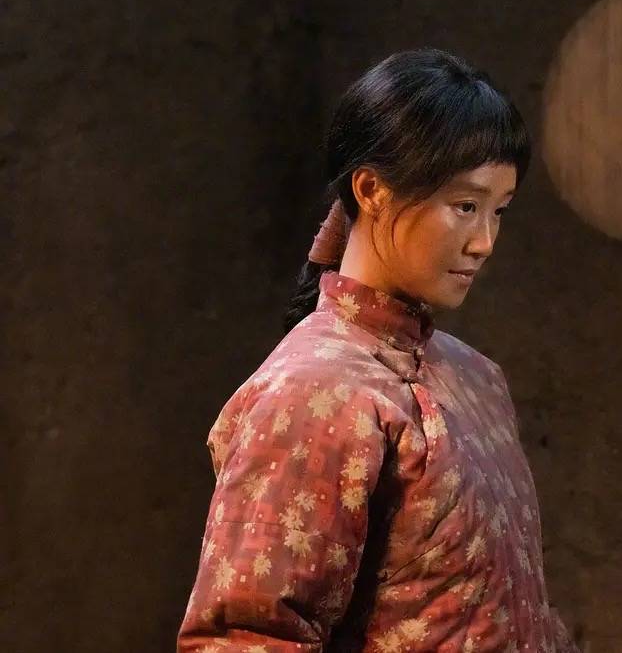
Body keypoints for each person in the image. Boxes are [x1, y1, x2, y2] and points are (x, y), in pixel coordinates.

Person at [176, 48, 580, 653]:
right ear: (371, 190)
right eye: (465, 207)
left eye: (499, 211)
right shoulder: (312, 393)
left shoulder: (476, 377)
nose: (484, 242)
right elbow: (246, 639)